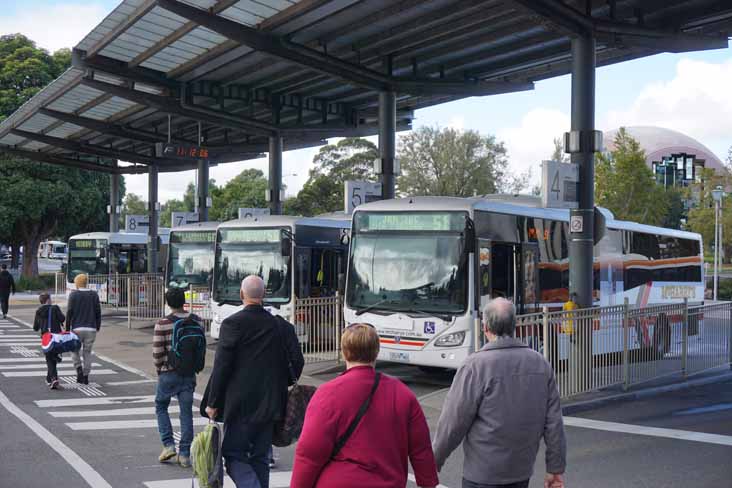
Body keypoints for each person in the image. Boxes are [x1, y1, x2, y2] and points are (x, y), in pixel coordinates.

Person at [432, 298, 567, 488]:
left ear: (485, 328)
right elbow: (554, 423)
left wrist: (433, 463)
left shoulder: (475, 366)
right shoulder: (540, 364)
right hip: (520, 474)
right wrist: (555, 469)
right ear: (515, 325)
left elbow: (453, 423)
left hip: (481, 476)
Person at [290, 323, 439, 488]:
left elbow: (310, 452)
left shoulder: (328, 394)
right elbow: (421, 448)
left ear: (344, 352)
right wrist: (428, 483)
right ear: (376, 352)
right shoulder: (402, 394)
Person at [204, 275, 299, 488]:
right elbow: (297, 362)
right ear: (264, 295)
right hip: (271, 403)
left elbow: (222, 367)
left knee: (234, 455)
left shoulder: (232, 324)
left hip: (239, 404)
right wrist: (279, 383)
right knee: (260, 457)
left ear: (241, 295)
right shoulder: (281, 326)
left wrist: (213, 402)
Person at [153, 286, 204, 468]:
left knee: (161, 406)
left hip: (168, 372)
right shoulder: (197, 321)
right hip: (188, 373)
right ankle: (184, 454)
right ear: (184, 300)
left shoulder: (162, 323)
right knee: (186, 413)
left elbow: (157, 352)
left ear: (167, 303)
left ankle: (168, 445)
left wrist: (160, 370)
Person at [66, 273, 101, 385]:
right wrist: (97, 326)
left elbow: (69, 313)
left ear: (77, 283)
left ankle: (78, 369)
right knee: (87, 352)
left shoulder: (73, 295)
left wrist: (67, 328)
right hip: (91, 328)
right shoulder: (94, 295)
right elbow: (98, 312)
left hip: (76, 328)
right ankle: (85, 376)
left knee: (74, 350)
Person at [33, 292, 65, 390]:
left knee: (50, 358)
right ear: (48, 300)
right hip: (56, 337)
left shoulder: (38, 311)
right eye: (50, 299)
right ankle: (52, 378)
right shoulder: (55, 308)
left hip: (46, 337)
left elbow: (35, 328)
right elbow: (62, 319)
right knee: (53, 358)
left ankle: (51, 378)